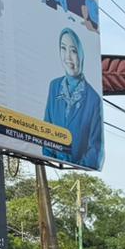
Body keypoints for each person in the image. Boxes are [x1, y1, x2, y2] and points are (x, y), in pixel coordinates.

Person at [43, 28, 102, 169]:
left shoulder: (93, 99)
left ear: (81, 54)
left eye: (74, 51)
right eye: (63, 48)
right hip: (54, 165)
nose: (68, 57)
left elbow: (95, 149)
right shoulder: (54, 86)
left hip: (77, 171)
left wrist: (76, 168)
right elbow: (46, 130)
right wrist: (49, 157)